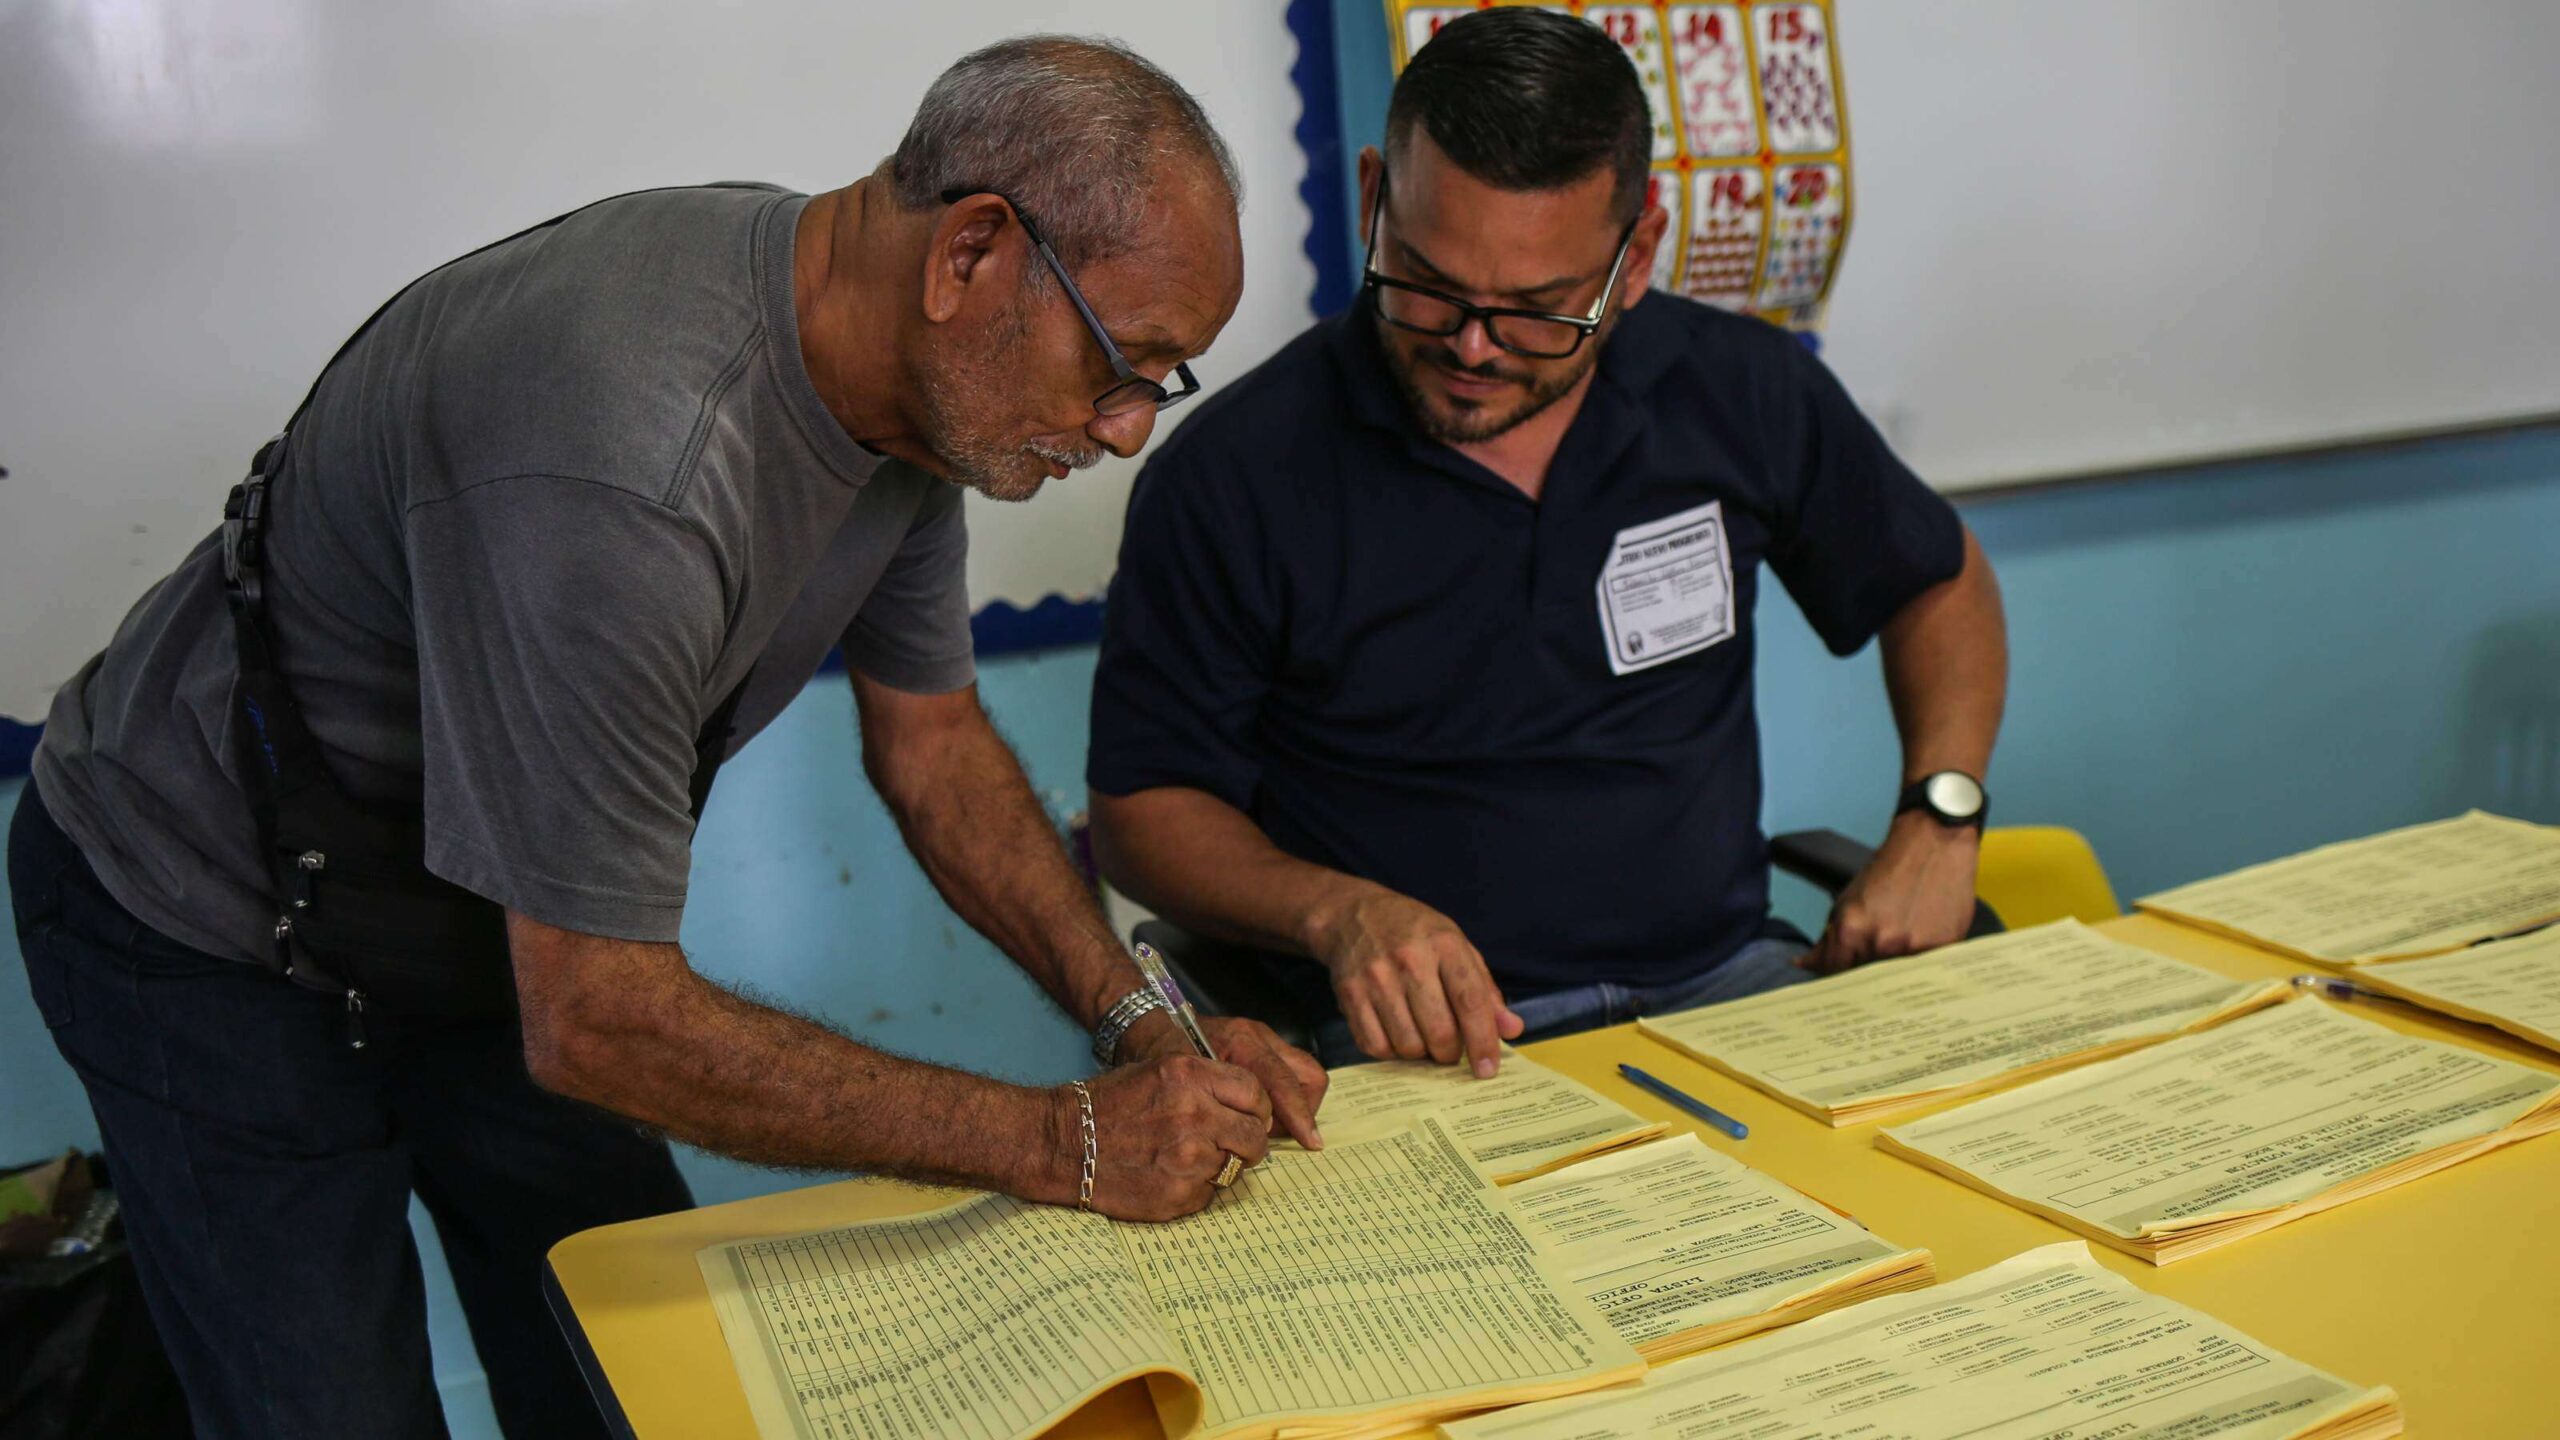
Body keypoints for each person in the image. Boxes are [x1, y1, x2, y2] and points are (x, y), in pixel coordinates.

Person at [8, 35, 1324, 1440]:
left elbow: (936, 752)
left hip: (473, 923)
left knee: (628, 1381)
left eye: (1163, 383)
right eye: (1125, 365)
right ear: (973, 255)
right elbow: (598, 1020)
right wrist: (1059, 1145)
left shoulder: (909, 387)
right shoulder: (626, 460)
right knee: (327, 1413)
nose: (1126, 432)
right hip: (200, 923)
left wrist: (1141, 1029)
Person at [1087, 8, 2008, 1077]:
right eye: (1427, 286)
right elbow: (1143, 813)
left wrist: (1938, 820)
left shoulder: (1740, 389)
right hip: (1433, 1045)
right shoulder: (1232, 475)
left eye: (1536, 310)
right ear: (1373, 196)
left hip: (1731, 991)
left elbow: (1939, 587)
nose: (1472, 349)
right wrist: (1336, 913)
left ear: (1637, 255)